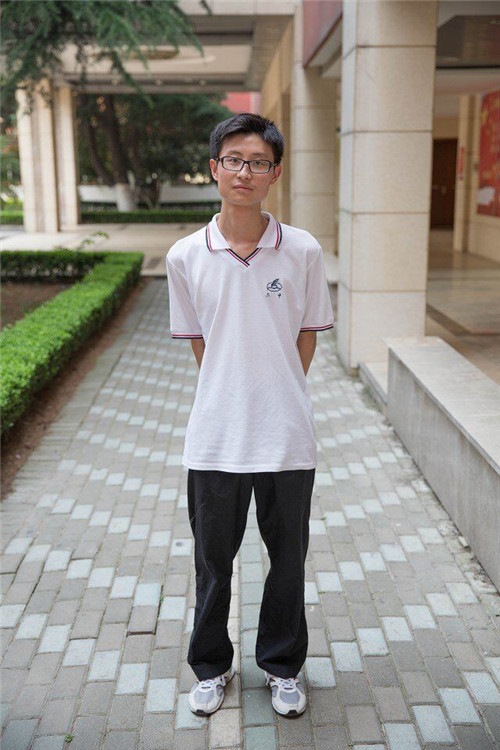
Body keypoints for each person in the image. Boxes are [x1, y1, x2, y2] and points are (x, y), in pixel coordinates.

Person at [165, 113, 334, 717]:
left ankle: (282, 668)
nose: (245, 172)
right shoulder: (186, 255)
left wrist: (277, 390)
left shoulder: (303, 250)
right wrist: (232, 391)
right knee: (213, 564)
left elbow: (307, 335)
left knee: (287, 561)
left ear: (275, 174)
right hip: (215, 437)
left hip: (287, 436)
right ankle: (211, 667)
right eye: (234, 160)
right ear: (214, 168)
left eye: (258, 162)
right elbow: (200, 344)